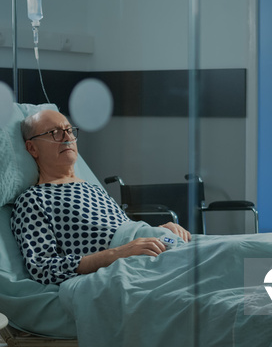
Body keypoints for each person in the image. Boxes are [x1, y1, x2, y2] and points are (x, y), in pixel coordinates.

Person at [11, 109, 190, 285]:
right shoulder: (33, 199)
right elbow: (43, 268)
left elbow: (124, 231)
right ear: (32, 148)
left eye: (69, 130)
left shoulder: (93, 189)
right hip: (128, 265)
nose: (67, 138)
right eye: (55, 133)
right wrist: (118, 254)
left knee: (215, 250)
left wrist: (160, 230)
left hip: (156, 244)